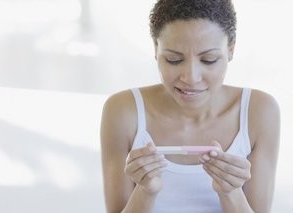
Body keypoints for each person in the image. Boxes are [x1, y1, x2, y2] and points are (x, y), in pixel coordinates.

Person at [100, 0, 280, 212]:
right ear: (156, 49)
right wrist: (146, 191)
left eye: (209, 59)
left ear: (231, 49)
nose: (191, 78)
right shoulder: (122, 110)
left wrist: (230, 192)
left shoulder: (259, 111)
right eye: (174, 60)